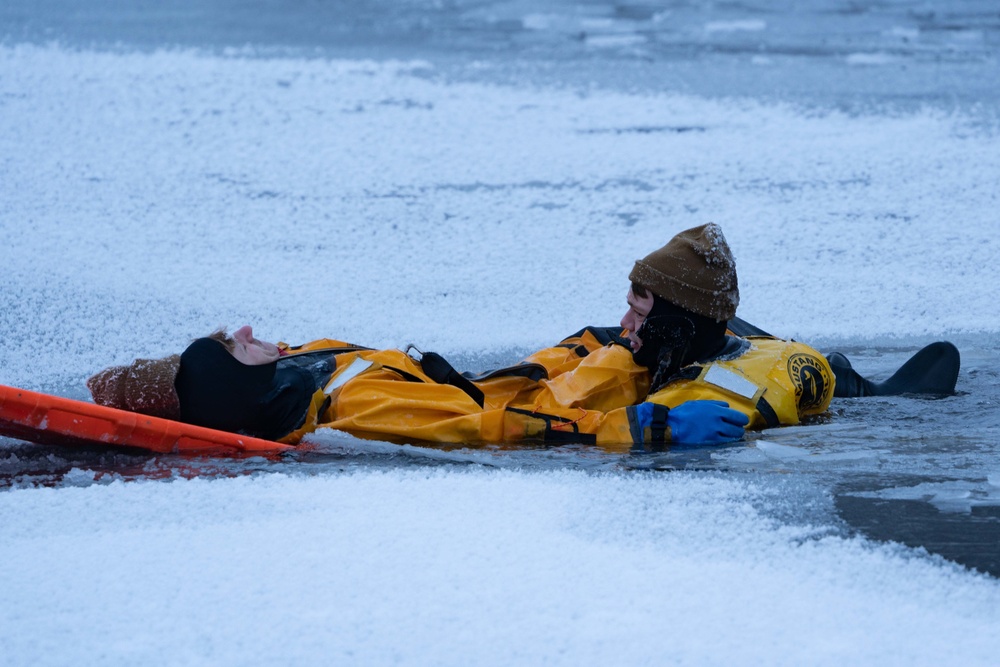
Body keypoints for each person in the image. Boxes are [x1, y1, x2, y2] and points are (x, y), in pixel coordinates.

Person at [88, 224, 960, 450]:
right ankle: (854, 386)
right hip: (543, 405)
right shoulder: (347, 397)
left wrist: (134, 381)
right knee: (673, 354)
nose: (246, 330)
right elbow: (487, 426)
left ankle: (850, 377)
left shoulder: (312, 357)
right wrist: (640, 429)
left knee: (617, 335)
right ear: (232, 383)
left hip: (523, 375)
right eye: (229, 344)